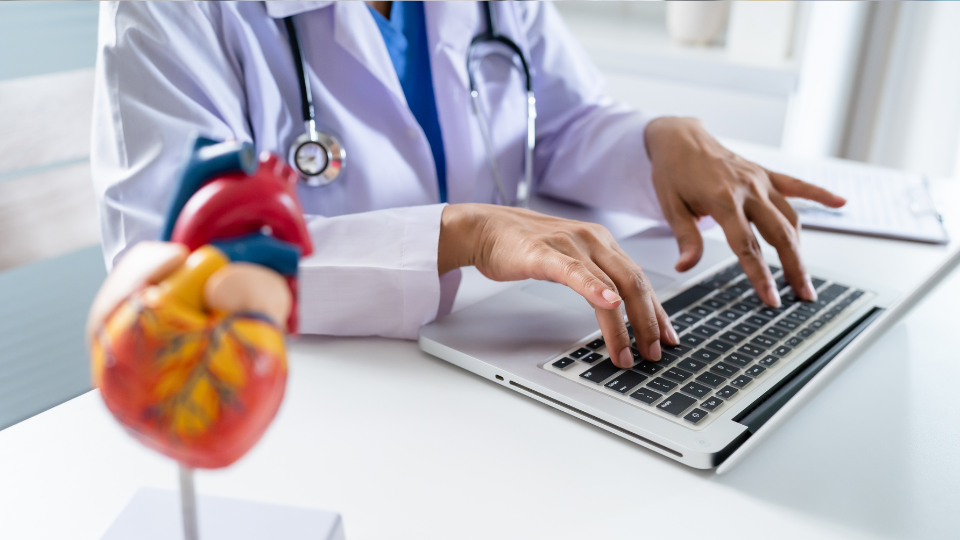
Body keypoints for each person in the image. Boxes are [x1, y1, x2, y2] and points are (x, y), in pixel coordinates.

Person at [90, 1, 845, 370]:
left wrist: (657, 141)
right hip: (296, 387)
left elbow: (558, 119)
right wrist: (464, 234)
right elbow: (173, 258)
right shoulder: (173, 10)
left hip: (481, 359)